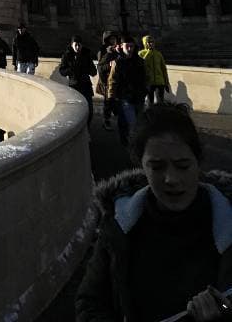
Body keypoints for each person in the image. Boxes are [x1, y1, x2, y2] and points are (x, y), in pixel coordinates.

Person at [76, 103, 232, 322]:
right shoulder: (119, 223)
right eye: (157, 167)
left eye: (183, 165)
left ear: (198, 162)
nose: (171, 179)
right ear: (141, 165)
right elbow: (90, 302)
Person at [109, 36, 148, 145]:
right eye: (127, 46)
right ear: (122, 46)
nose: (130, 49)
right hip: (125, 97)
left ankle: (133, 143)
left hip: (139, 96)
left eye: (132, 46)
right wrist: (112, 99)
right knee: (131, 123)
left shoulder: (140, 61)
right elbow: (112, 81)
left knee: (138, 123)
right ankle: (132, 145)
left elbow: (145, 77)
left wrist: (145, 90)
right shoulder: (118, 62)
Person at [59, 35, 98, 125]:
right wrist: (72, 70)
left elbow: (93, 71)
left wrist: (86, 68)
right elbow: (62, 70)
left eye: (79, 45)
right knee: (76, 110)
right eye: (75, 45)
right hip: (74, 85)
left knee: (89, 110)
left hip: (86, 85)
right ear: (72, 45)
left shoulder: (86, 54)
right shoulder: (67, 54)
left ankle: (87, 128)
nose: (77, 47)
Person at [96, 31, 120, 131]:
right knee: (108, 102)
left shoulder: (116, 50)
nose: (113, 41)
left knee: (115, 101)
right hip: (106, 82)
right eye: (111, 39)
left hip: (116, 81)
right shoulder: (103, 51)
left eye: (114, 39)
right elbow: (100, 68)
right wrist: (104, 82)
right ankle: (106, 120)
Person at [139, 33, 171, 105]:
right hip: (149, 82)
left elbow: (163, 69)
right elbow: (142, 64)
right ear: (145, 43)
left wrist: (166, 82)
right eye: (149, 42)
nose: (151, 43)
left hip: (160, 81)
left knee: (161, 101)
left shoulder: (158, 54)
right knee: (150, 102)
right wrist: (149, 52)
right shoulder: (141, 53)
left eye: (152, 42)